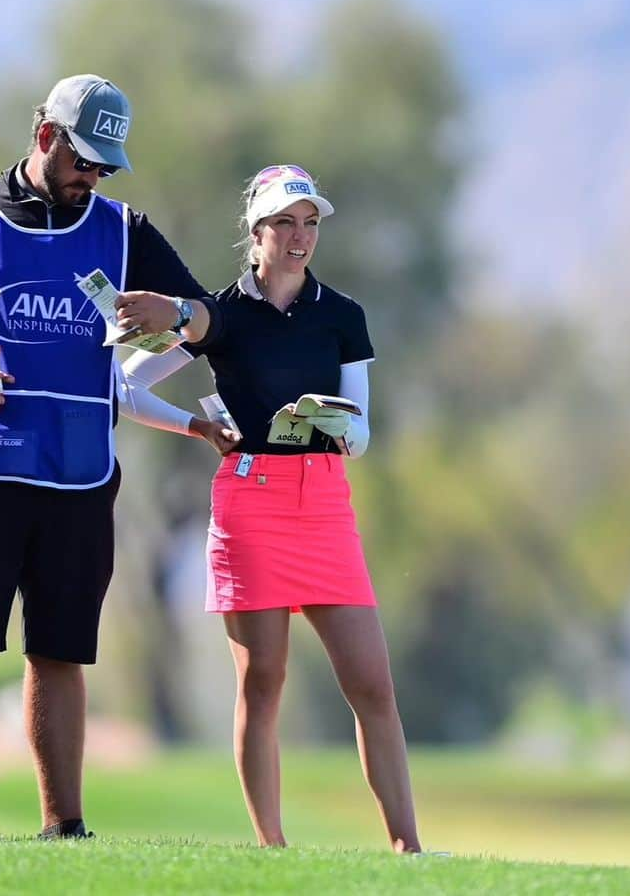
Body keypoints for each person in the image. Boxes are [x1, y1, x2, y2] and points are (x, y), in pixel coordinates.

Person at [0, 74, 222, 839]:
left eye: (105, 167)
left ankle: (64, 828)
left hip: (81, 478)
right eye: (85, 162)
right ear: (45, 137)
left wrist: (178, 313)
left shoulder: (123, 228)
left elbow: (211, 320)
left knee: (61, 650)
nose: (92, 179)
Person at [117, 164, 422, 852]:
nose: (299, 236)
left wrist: (337, 423)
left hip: (324, 506)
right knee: (264, 682)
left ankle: (408, 847)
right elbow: (124, 385)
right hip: (250, 506)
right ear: (255, 232)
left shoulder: (343, 316)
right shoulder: (218, 315)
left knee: (372, 683)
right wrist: (192, 426)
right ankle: (272, 849)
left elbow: (363, 434)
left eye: (309, 222)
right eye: (284, 222)